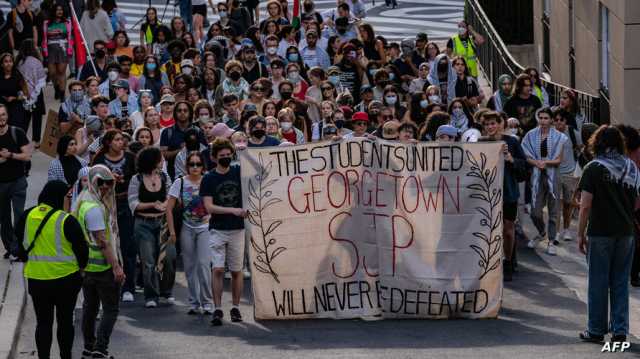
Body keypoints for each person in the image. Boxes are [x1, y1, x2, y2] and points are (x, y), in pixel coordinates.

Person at [577, 125, 640, 344]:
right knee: (620, 282)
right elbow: (636, 201)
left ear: (597, 143)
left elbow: (585, 206)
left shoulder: (593, 168)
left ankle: (595, 330)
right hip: (626, 232)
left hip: (600, 231)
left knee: (598, 281)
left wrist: (580, 234)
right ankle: (620, 331)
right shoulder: (631, 167)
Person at [15, 180, 88, 359]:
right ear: (60, 197)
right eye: (68, 196)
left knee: (43, 323)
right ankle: (65, 356)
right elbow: (82, 249)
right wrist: (82, 269)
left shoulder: (27, 216)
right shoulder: (67, 220)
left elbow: (18, 244)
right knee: (65, 323)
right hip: (66, 280)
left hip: (37, 279)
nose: (69, 199)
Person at [73, 165, 124, 359]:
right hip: (101, 267)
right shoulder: (94, 208)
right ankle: (100, 349)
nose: (107, 189)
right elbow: (103, 242)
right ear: (94, 182)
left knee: (90, 307)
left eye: (109, 184)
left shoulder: (83, 200)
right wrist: (116, 267)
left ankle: (88, 346)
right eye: (102, 184)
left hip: (87, 267)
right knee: (110, 309)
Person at [201, 138, 248, 325]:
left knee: (237, 270)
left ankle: (235, 307)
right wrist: (233, 210)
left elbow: (259, 167)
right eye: (222, 156)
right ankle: (218, 308)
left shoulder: (238, 172)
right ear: (214, 158)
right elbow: (209, 207)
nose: (226, 158)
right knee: (218, 269)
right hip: (218, 229)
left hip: (238, 229)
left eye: (229, 155)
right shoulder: (209, 178)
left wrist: (244, 151)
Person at [91, 130, 137, 302]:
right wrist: (109, 180)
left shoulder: (131, 158)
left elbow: (138, 179)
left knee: (127, 245)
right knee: (108, 244)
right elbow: (92, 179)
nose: (121, 142)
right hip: (105, 206)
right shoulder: (99, 159)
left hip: (126, 205)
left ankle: (128, 286)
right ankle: (109, 283)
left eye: (122, 139)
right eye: (117, 139)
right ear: (109, 142)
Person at [481, 111, 526, 281]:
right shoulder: (480, 143)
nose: (490, 127)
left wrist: (510, 158)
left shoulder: (512, 142)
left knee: (508, 230)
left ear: (501, 124)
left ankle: (508, 261)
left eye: (493, 123)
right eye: (487, 124)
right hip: (487, 193)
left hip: (508, 192)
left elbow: (523, 167)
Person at [166, 151, 213, 315]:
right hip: (187, 227)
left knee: (204, 265)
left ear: (202, 166)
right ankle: (194, 302)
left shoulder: (208, 180)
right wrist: (172, 231)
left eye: (198, 164)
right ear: (186, 166)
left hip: (205, 227)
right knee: (189, 266)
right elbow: (168, 208)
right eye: (191, 164)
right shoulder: (179, 182)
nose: (195, 167)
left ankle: (207, 302)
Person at [128, 147, 174, 308]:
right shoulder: (137, 179)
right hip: (143, 224)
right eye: (159, 159)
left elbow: (170, 195)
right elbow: (133, 203)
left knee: (168, 258)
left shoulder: (164, 176)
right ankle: (151, 295)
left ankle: (166, 291)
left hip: (161, 222)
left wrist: (165, 204)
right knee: (148, 261)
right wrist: (153, 204)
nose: (162, 162)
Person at [522, 107, 567, 256]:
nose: (542, 121)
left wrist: (546, 163)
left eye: (546, 118)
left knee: (554, 210)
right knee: (535, 211)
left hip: (553, 174)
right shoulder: (530, 135)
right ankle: (542, 233)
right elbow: (526, 154)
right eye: (540, 117)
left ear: (551, 120)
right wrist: (536, 163)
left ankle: (552, 241)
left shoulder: (559, 137)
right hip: (536, 175)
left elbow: (559, 159)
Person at [0, 104, 31, 258]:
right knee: (3, 218)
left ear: (7, 116)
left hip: (18, 181)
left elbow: (27, 155)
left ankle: (18, 248)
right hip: (1, 185)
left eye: (3, 114)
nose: (1, 118)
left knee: (19, 215)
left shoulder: (16, 132)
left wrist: (10, 155)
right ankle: (10, 248)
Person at [553, 109, 581, 242]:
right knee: (557, 204)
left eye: (561, 120)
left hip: (570, 173)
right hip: (555, 172)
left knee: (568, 203)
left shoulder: (573, 133)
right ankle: (557, 232)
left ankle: (566, 229)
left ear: (566, 121)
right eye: (556, 120)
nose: (558, 122)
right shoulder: (550, 134)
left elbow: (580, 148)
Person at [16, 39, 46, 147]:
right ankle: (36, 141)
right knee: (37, 117)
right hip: (36, 93)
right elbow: (41, 79)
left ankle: (21, 139)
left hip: (24, 93)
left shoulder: (19, 62)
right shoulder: (37, 61)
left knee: (24, 118)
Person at [42, 4, 73, 100]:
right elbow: (44, 38)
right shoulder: (47, 23)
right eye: (57, 10)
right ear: (53, 11)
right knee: (52, 73)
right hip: (50, 50)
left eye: (61, 10)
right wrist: (44, 51)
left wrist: (70, 50)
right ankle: (57, 89)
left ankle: (62, 94)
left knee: (61, 72)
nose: (60, 11)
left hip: (63, 49)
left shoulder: (67, 22)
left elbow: (70, 37)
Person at [0, 53, 29, 132]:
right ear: (2, 64)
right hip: (2, 107)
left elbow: (26, 94)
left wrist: (15, 98)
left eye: (10, 61)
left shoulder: (18, 76)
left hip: (16, 106)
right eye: (6, 62)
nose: (8, 63)